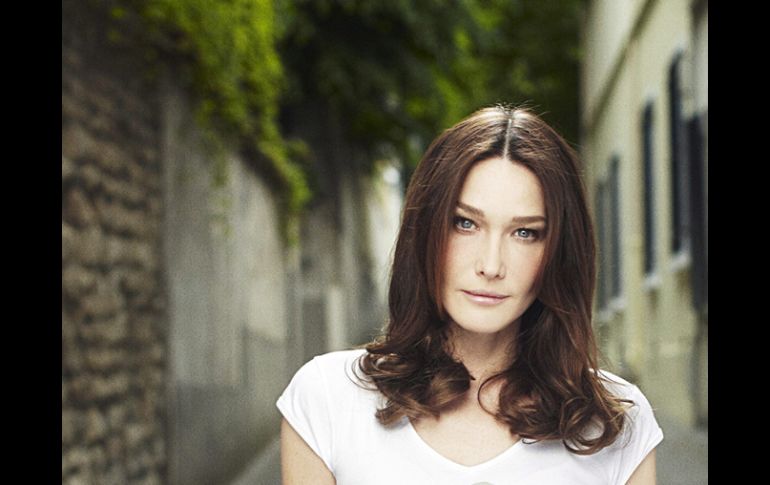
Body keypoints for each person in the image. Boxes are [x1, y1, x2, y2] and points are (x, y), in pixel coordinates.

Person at [277, 105, 663, 484]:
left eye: (525, 233)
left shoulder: (615, 426)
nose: (491, 265)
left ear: (558, 253)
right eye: (465, 223)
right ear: (425, 230)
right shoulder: (328, 399)